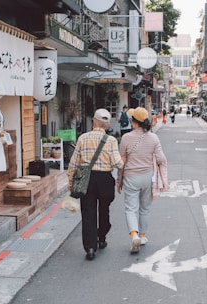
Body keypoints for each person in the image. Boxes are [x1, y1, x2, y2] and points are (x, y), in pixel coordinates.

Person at [67, 109, 124, 261]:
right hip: (105, 179)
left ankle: (90, 248)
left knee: (88, 213)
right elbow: (118, 163)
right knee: (104, 210)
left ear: (93, 121)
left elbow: (74, 162)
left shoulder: (83, 138)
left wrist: (71, 181)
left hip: (87, 179)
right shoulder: (111, 140)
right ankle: (102, 237)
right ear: (106, 124)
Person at [117, 107, 168, 254]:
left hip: (131, 177)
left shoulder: (126, 138)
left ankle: (134, 235)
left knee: (131, 209)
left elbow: (122, 162)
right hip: (148, 177)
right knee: (145, 208)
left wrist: (118, 181)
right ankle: (143, 236)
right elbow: (161, 159)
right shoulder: (153, 138)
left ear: (134, 123)